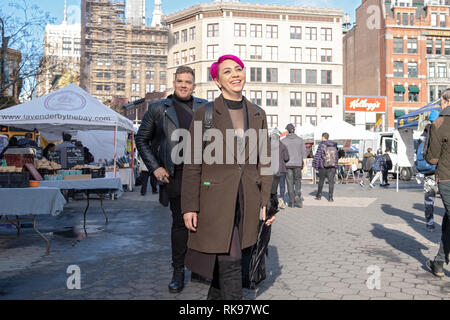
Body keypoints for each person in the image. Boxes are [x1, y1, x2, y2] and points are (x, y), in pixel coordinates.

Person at [181, 55, 274, 300]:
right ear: (217, 81)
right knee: (231, 259)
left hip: (248, 198)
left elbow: (264, 161)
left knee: (233, 257)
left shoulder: (258, 113)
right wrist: (189, 206)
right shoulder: (205, 114)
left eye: (238, 69)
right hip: (215, 201)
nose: (235, 74)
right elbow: (192, 164)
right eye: (227, 72)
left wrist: (267, 201)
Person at [135, 66, 208, 293]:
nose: (184, 85)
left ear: (194, 86)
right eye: (180, 81)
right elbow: (141, 139)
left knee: (203, 223)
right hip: (175, 175)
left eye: (188, 81)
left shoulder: (204, 107)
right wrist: (155, 167)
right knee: (180, 225)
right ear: (174, 83)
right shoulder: (159, 108)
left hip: (202, 174)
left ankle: (199, 268)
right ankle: (178, 270)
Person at [425, 88, 450, 277]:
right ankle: (439, 262)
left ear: (447, 101)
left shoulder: (439, 123)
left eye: (441, 101)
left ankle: (439, 262)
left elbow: (432, 159)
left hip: (447, 178)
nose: (440, 105)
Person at [416, 110, 440, 232]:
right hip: (440, 171)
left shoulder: (422, 135)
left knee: (429, 199)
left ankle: (429, 223)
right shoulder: (439, 132)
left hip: (428, 172)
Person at [281, 123, 306, 208]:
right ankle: (297, 193)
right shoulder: (300, 140)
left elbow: (281, 154)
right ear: (294, 130)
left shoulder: (283, 141)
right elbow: (304, 153)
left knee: (289, 182)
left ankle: (291, 202)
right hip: (298, 164)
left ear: (287, 131)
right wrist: (305, 165)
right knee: (298, 180)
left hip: (287, 164)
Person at [313, 133, 338, 202]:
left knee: (321, 181)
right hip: (332, 166)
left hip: (322, 166)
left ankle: (319, 195)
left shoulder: (321, 145)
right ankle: (330, 197)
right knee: (331, 182)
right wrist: (335, 165)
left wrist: (315, 165)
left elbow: (317, 156)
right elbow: (336, 156)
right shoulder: (334, 145)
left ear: (323, 137)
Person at [270, 130, 289, 209]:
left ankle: (272, 201)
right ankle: (281, 198)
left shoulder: (268, 146)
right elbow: (286, 158)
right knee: (282, 186)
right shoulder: (283, 146)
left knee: (272, 186)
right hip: (281, 168)